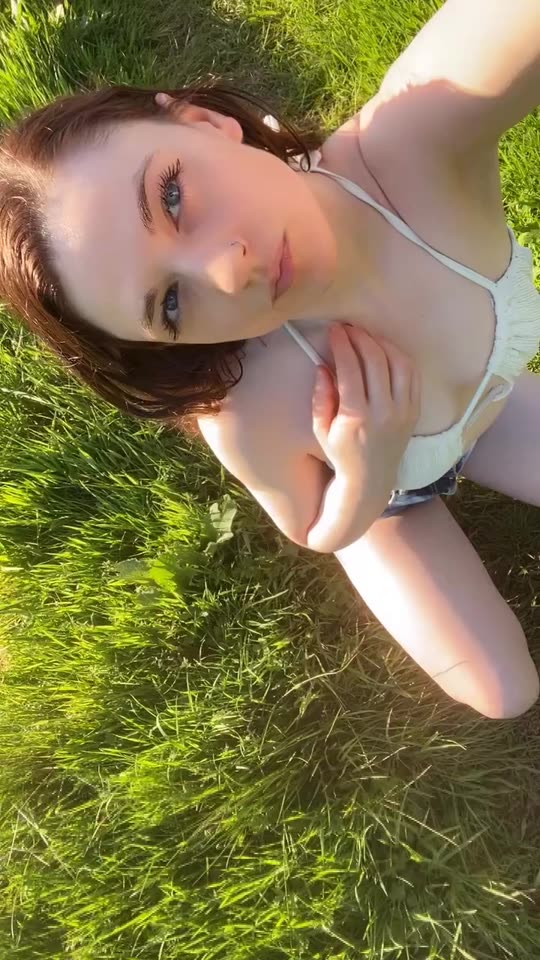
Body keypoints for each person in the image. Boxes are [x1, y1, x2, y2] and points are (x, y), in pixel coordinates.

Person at [0, 0, 539, 718]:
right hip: (393, 493)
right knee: (503, 691)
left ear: (204, 123)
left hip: (492, 402)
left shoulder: (411, 150)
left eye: (171, 196)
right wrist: (367, 469)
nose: (229, 273)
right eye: (170, 304)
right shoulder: (250, 407)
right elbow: (314, 527)